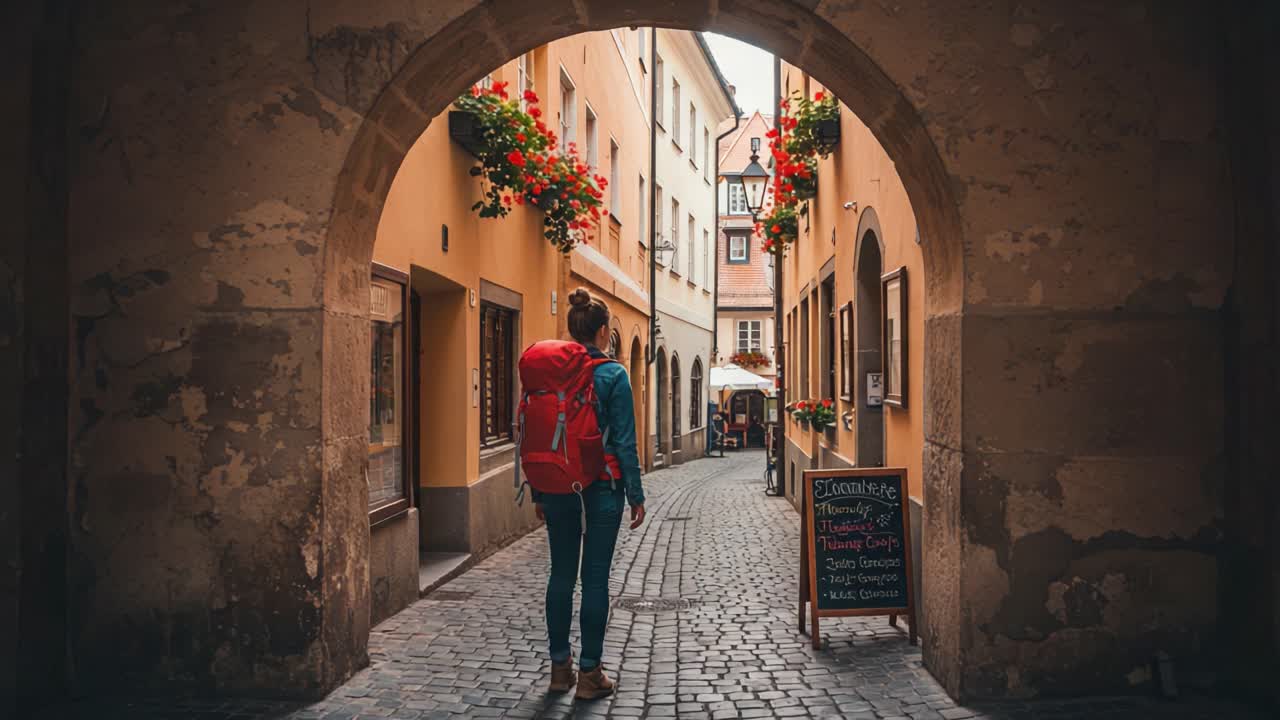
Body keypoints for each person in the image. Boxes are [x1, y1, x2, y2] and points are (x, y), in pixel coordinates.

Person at [535, 287, 645, 700]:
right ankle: (590, 674)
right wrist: (635, 493)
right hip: (602, 487)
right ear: (603, 332)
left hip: (558, 486)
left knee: (560, 574)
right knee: (595, 579)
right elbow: (625, 441)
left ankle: (559, 669)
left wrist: (538, 494)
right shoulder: (614, 374)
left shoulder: (550, 374)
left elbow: (538, 434)